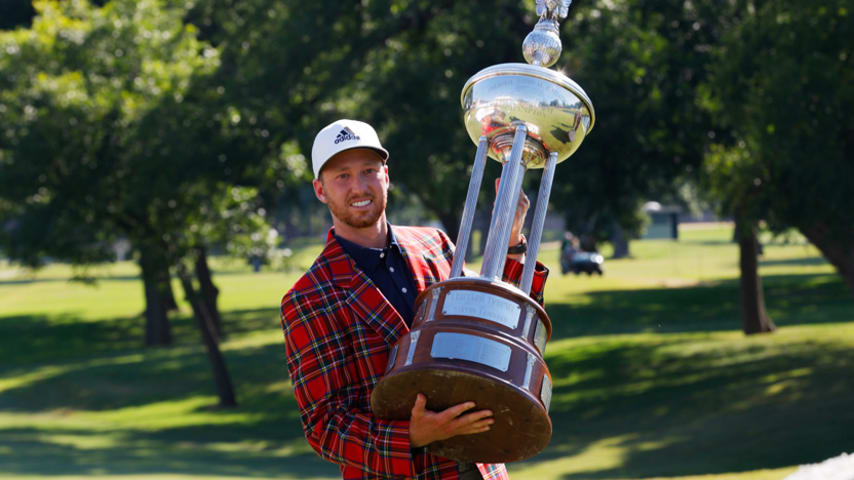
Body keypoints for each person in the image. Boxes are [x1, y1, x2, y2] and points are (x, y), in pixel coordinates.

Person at [281, 119, 549, 480]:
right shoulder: (307, 297)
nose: (358, 186)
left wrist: (512, 238)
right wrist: (412, 435)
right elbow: (325, 426)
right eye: (342, 176)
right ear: (320, 190)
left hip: (483, 468)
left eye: (368, 171)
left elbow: (501, 326)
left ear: (386, 176)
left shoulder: (434, 245)